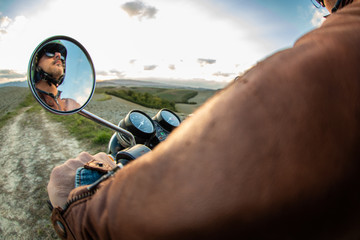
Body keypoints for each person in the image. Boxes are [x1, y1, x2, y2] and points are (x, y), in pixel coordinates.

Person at [48, 0, 360, 239]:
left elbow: (199, 193)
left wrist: (80, 209)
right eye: (322, 8)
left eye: (326, 6)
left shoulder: (341, 49)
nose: (323, 12)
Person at [34, 41, 80, 111]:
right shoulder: (34, 102)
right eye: (50, 51)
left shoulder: (71, 104)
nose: (58, 55)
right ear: (36, 62)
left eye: (62, 55)